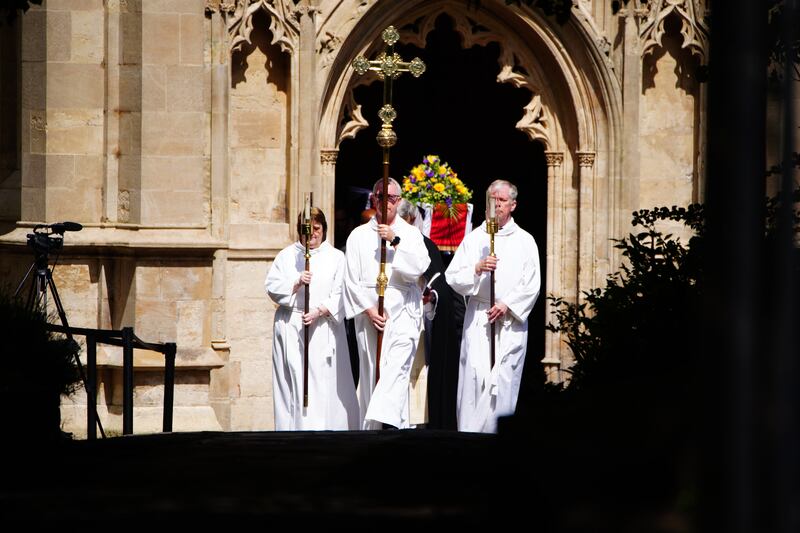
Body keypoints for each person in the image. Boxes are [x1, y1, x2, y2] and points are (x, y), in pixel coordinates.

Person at [445, 179, 541, 433]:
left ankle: (498, 437)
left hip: (509, 322)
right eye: (492, 200)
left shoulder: (525, 240)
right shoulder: (476, 238)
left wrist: (507, 304)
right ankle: (469, 436)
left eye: (501, 200)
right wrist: (477, 268)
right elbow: (452, 276)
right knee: (474, 379)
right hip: (479, 317)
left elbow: (532, 283)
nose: (496, 205)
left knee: (504, 379)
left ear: (513, 205)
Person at [343, 178, 431, 429]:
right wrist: (369, 311)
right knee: (373, 373)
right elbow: (351, 280)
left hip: (403, 313)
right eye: (380, 197)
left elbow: (419, 268)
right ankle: (378, 429)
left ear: (399, 201)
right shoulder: (357, 236)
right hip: (370, 313)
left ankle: (381, 419)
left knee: (397, 369)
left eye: (391, 198)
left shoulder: (411, 234)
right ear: (373, 199)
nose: (385, 203)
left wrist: (394, 240)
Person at [265, 207, 359, 430]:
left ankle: (324, 430)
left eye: (317, 228)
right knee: (294, 382)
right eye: (308, 229)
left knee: (321, 384)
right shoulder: (287, 255)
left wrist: (320, 310)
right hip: (292, 325)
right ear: (300, 230)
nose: (313, 234)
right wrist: (296, 283)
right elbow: (271, 286)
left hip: (322, 327)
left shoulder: (336, 257)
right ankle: (293, 430)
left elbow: (342, 292)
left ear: (324, 229)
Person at [396, 199, 461, 430]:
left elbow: (437, 284)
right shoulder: (383, 243)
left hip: (418, 320)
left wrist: (430, 296)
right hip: (391, 319)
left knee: (418, 376)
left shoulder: (425, 245)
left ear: (411, 220)